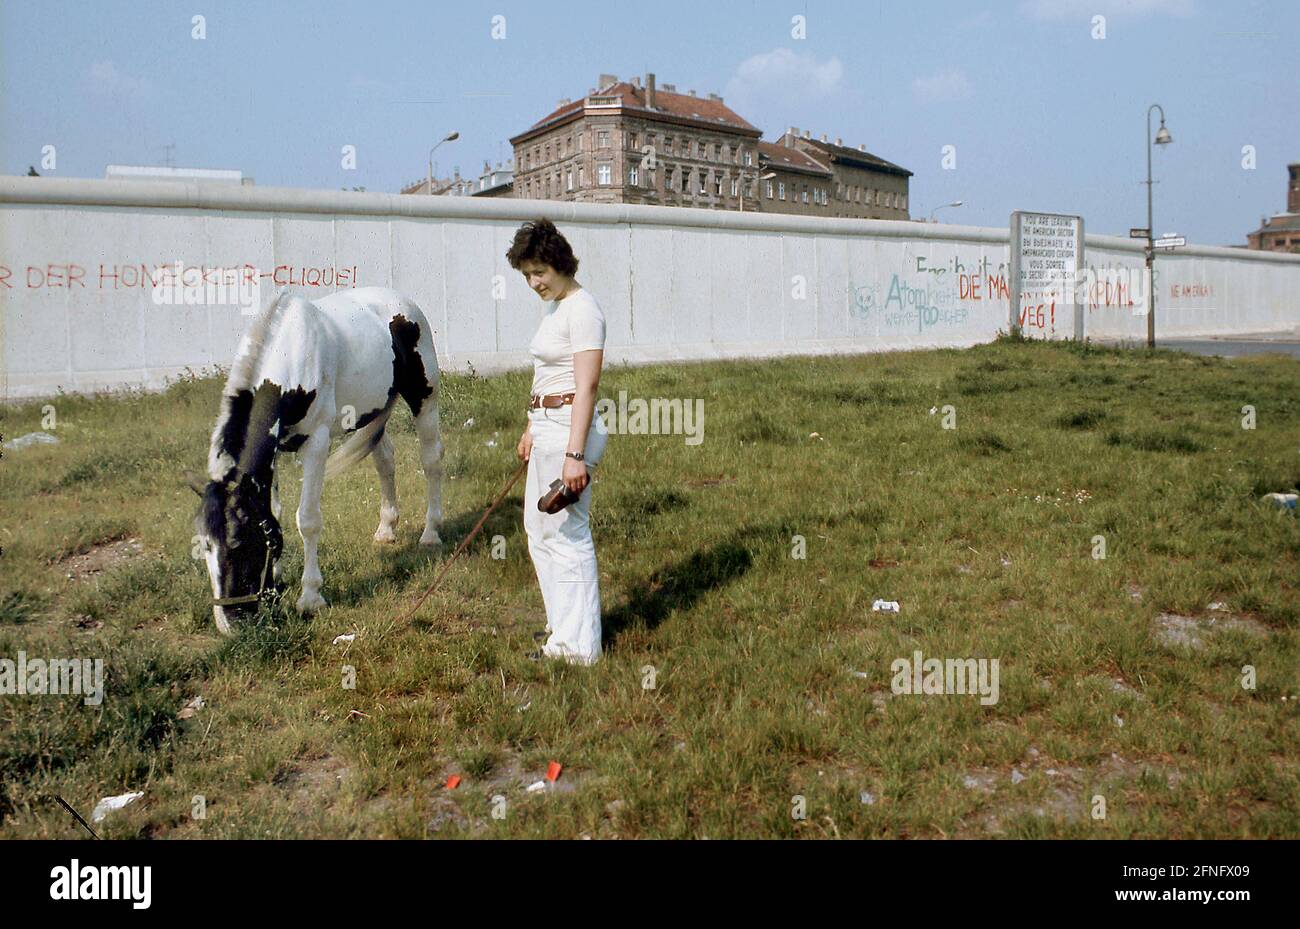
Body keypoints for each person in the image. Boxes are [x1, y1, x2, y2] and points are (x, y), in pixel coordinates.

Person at [507, 218, 609, 665]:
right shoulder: (555, 306)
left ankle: (580, 647)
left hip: (572, 430)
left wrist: (574, 454)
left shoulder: (584, 309)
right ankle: (561, 628)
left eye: (539, 272)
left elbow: (586, 386)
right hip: (547, 427)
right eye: (527, 274)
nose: (533, 283)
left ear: (560, 262)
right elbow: (545, 371)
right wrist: (531, 426)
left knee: (567, 534)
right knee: (539, 531)